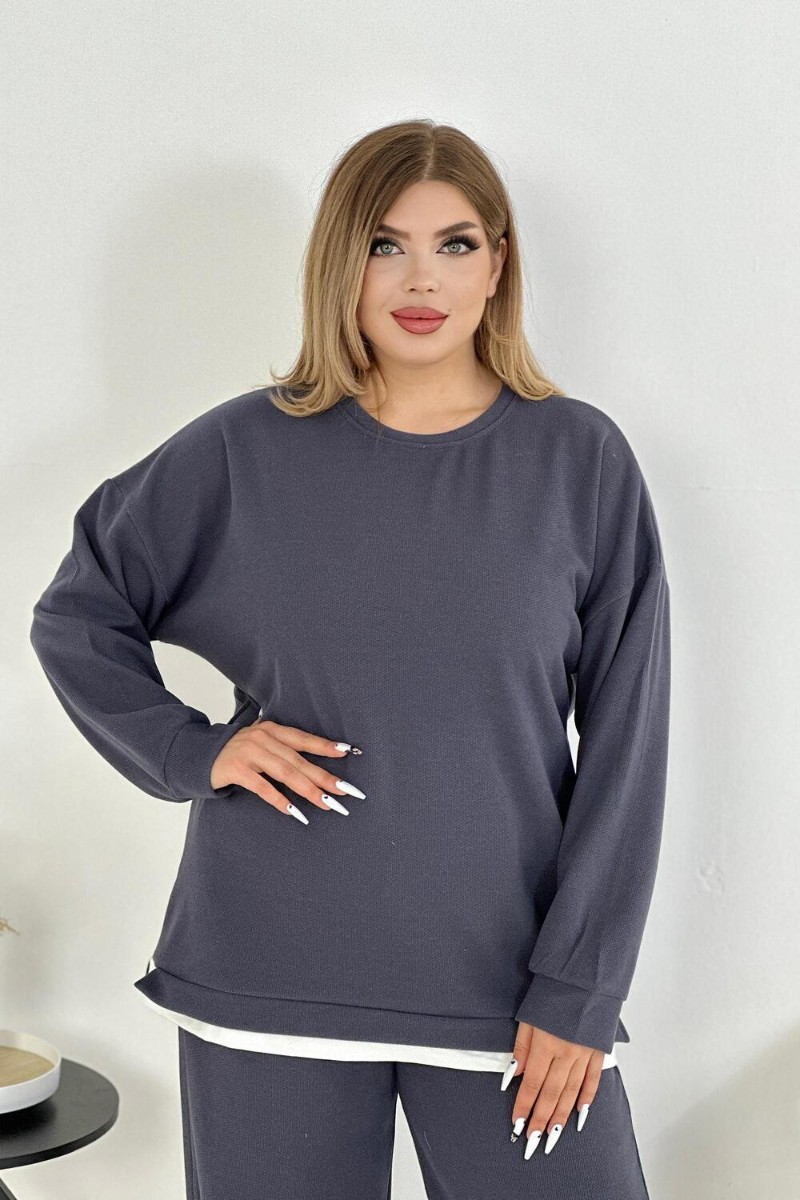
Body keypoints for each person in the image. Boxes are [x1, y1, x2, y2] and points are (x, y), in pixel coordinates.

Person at [29, 119, 669, 1199]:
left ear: (497, 264)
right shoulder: (245, 449)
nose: (421, 279)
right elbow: (78, 612)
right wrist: (195, 751)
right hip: (267, 971)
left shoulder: (578, 459)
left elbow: (628, 746)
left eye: (454, 244)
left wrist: (580, 989)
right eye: (384, 244)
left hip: (510, 992)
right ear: (339, 262)